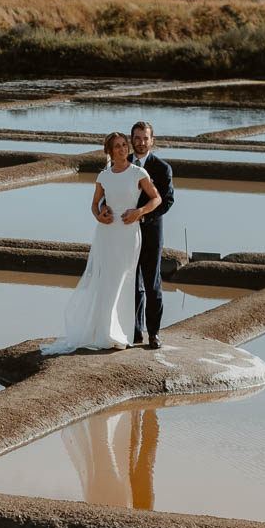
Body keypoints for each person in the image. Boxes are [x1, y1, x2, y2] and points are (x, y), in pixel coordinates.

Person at [42, 132, 161, 354]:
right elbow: (95, 203)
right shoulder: (103, 176)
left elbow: (157, 198)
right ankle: (104, 332)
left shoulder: (139, 172)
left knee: (123, 282)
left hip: (128, 232)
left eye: (125, 145)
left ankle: (120, 333)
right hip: (106, 233)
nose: (123, 149)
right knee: (106, 280)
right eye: (118, 146)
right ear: (110, 150)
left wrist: (139, 212)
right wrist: (99, 214)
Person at [128, 120, 174, 350]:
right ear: (131, 140)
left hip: (150, 232)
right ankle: (134, 332)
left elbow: (167, 201)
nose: (141, 142)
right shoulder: (121, 164)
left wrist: (143, 217)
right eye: (137, 138)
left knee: (151, 283)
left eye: (145, 138)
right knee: (131, 284)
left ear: (151, 140)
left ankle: (153, 333)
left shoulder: (162, 168)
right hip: (124, 234)